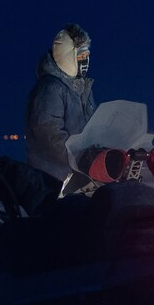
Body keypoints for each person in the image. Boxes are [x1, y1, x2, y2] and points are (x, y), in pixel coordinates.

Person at [25, 23, 96, 191]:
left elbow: (95, 127)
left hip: (81, 178)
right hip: (54, 181)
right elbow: (49, 134)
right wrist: (82, 158)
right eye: (80, 56)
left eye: (87, 55)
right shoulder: (51, 88)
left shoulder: (83, 88)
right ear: (67, 57)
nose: (85, 61)